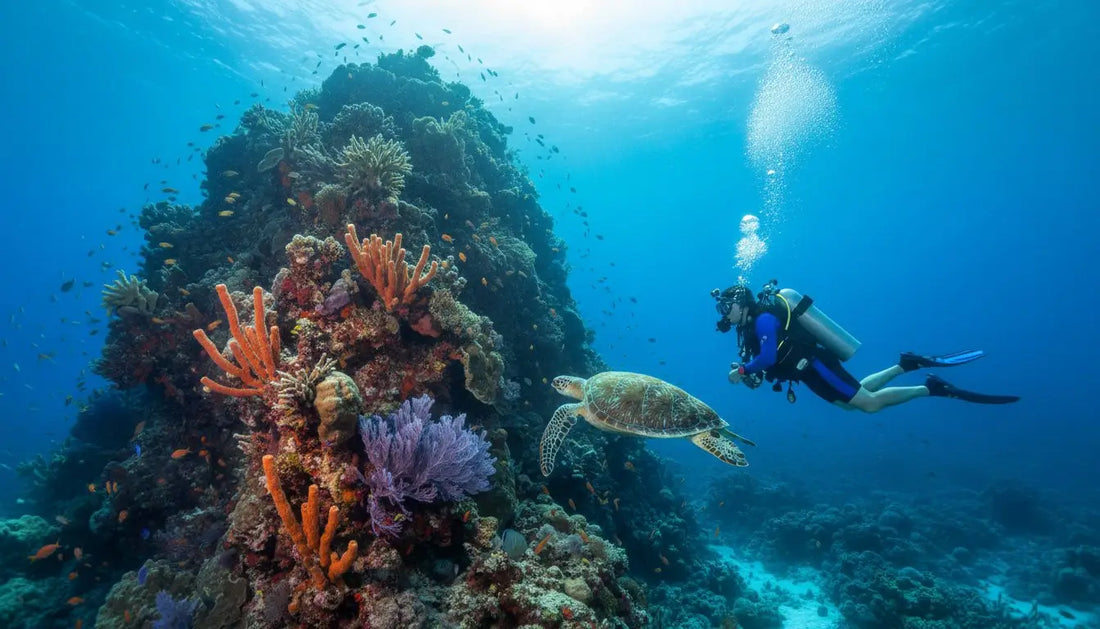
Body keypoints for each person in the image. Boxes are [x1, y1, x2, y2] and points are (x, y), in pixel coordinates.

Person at [713, 281, 1019, 411]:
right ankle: (906, 365)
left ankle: (931, 387)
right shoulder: (750, 327)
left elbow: (767, 357)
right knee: (854, 402)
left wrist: (741, 370)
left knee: (869, 405)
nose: (724, 314)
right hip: (807, 374)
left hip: (815, 366)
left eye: (726, 307)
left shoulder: (763, 320)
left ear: (740, 303)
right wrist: (746, 371)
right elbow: (765, 360)